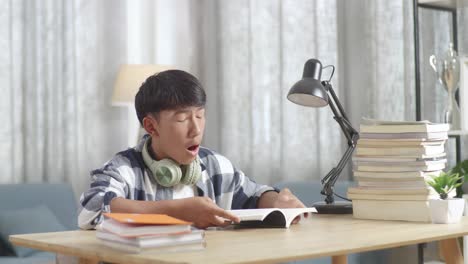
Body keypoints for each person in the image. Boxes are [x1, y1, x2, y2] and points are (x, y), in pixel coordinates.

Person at [78, 70, 306, 230]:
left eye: (200, 115)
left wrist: (277, 202)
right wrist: (175, 211)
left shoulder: (215, 164)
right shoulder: (125, 168)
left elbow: (254, 195)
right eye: (182, 119)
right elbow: (92, 209)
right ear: (151, 126)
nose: (196, 129)